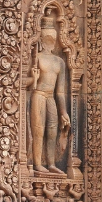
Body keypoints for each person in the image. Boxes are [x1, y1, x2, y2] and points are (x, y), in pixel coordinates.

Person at [27, 15, 69, 175]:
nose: (50, 40)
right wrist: (34, 78)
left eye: (53, 37)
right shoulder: (36, 58)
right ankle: (37, 163)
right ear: (41, 38)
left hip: (51, 97)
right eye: (47, 37)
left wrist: (63, 111)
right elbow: (23, 81)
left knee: (52, 130)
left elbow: (60, 91)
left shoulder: (59, 62)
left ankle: (51, 163)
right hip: (38, 95)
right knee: (38, 130)